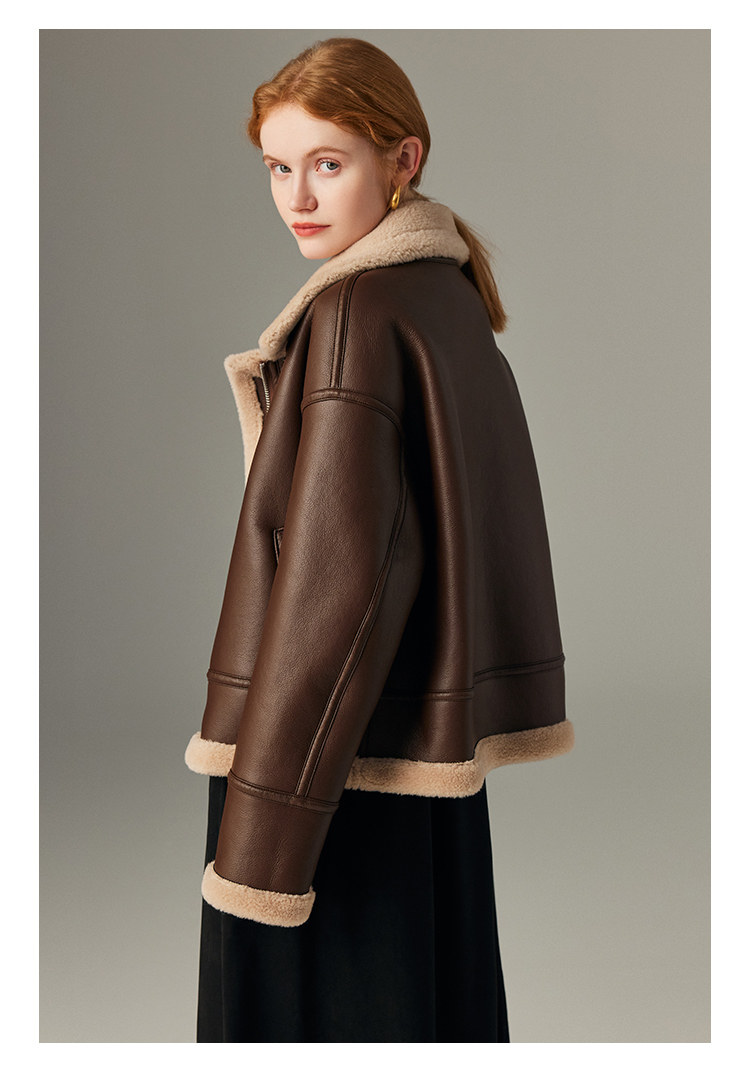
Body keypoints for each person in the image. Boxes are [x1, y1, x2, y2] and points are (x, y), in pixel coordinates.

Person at [184, 36, 574, 1043]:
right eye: (278, 167)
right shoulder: (442, 295)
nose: (298, 198)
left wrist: (264, 833)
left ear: (404, 158)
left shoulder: (356, 313)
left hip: (333, 756)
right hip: (415, 750)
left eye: (328, 162)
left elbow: (340, 593)